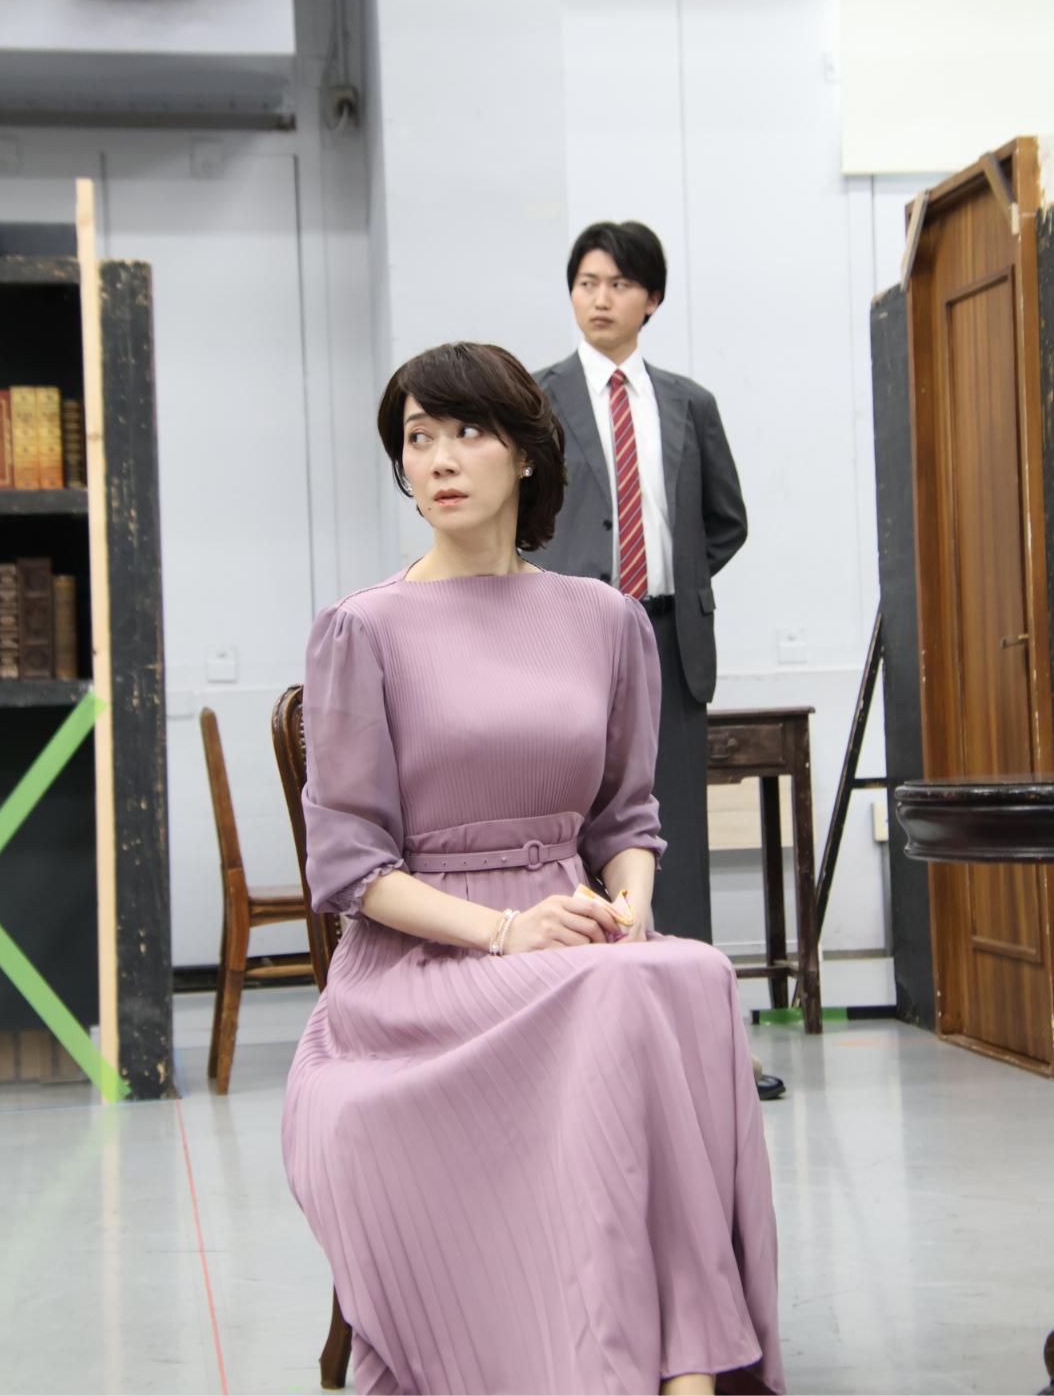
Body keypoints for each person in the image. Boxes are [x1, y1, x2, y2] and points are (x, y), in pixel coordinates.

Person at [282, 341, 783, 1396]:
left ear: (524, 455)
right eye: (417, 437)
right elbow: (352, 869)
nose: (438, 459)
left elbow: (626, 817)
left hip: (574, 932)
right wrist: (508, 933)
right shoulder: (363, 631)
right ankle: (669, 1366)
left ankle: (677, 1361)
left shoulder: (604, 620)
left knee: (690, 972)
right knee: (621, 995)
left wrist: (628, 908)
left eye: (467, 432)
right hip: (421, 969)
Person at [534, 225, 784, 1101]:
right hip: (570, 639)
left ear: (652, 299)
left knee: (674, 841)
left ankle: (708, 1047)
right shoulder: (536, 399)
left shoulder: (688, 403)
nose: (599, 298)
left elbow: (727, 520)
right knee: (569, 838)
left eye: (618, 283)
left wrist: (673, 581)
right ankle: (592, 1049)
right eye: (586, 281)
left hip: (671, 641)